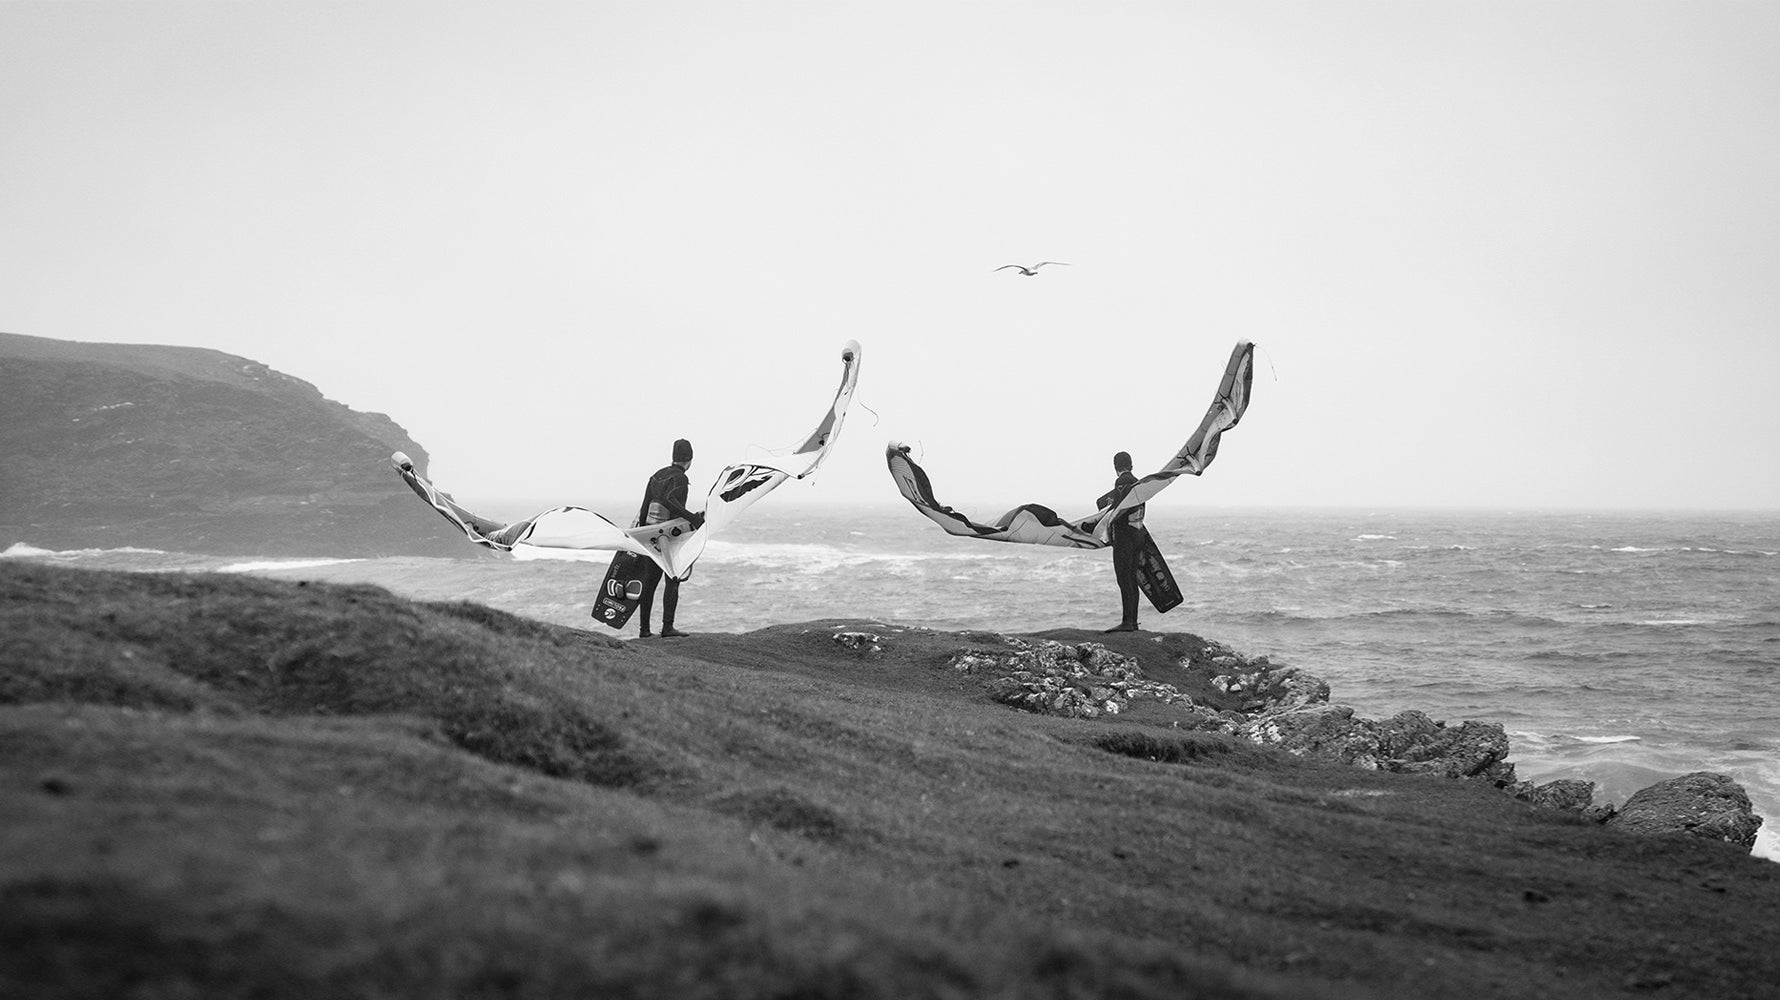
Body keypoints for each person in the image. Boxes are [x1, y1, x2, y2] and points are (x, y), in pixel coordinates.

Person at [634, 438, 705, 638]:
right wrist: (693, 519)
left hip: (650, 533)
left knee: (650, 581)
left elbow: (645, 505)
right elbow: (671, 501)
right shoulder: (680, 479)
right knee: (673, 578)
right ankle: (667, 627)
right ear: (689, 459)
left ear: (674, 456)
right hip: (669, 537)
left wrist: (642, 534)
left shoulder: (656, 476)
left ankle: (644, 630)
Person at [1098, 450, 1144, 632]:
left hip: (1125, 537)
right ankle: (1132, 621)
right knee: (1132, 579)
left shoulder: (1122, 481)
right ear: (1131, 464)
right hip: (1137, 533)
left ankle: (1127, 622)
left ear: (1115, 466)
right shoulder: (1138, 482)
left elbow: (1118, 509)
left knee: (1124, 579)